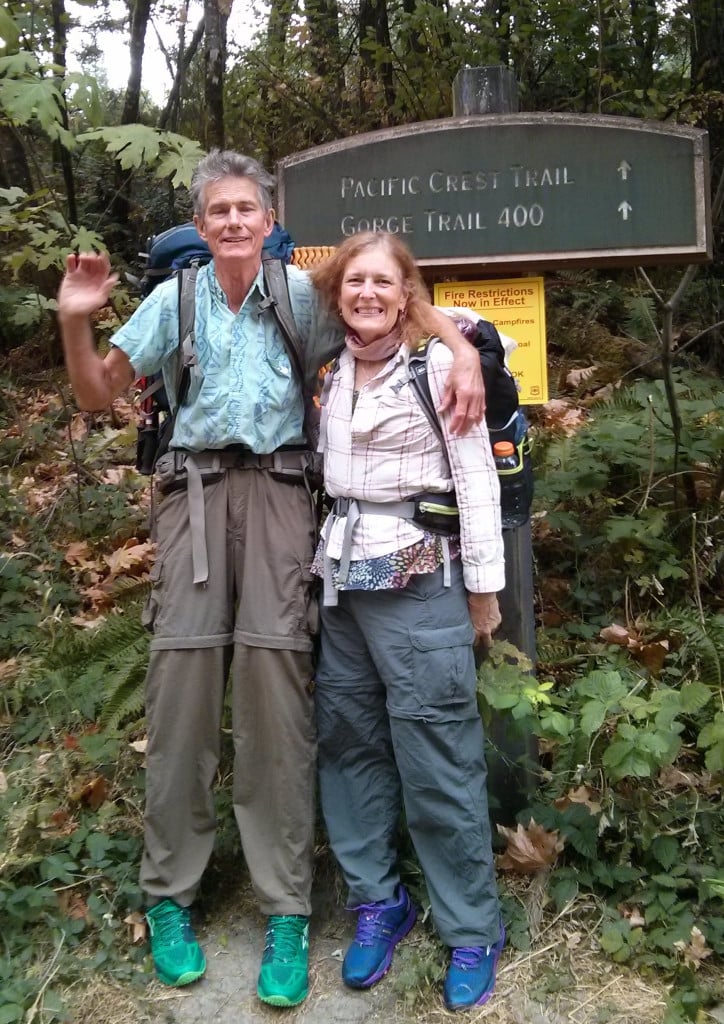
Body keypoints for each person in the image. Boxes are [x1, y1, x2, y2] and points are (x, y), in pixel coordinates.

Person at [55, 152, 485, 1007]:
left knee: (277, 697)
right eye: (218, 210)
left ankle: (284, 907)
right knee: (180, 694)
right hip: (192, 499)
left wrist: (458, 353)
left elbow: (394, 307)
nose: (234, 222)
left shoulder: (300, 294)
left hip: (286, 497)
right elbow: (99, 394)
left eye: (247, 208)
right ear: (202, 222)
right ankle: (169, 895)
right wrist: (75, 322)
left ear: (269, 216)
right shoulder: (171, 300)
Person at [310, 231, 506, 1012]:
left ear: (406, 292)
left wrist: (484, 591)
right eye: (355, 281)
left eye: (383, 283)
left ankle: (469, 928)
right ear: (338, 292)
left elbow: (477, 478)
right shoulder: (328, 368)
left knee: (436, 751)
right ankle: (377, 902)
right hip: (342, 583)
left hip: (423, 575)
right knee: (350, 743)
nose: (367, 294)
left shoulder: (438, 364)